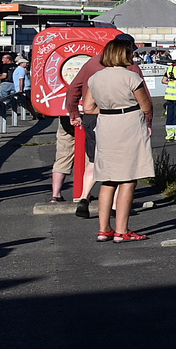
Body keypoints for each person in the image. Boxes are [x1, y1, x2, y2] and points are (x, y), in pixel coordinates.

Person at [81, 38, 154, 242]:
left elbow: (87, 108)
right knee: (129, 178)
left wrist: (105, 111)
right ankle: (122, 230)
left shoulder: (95, 78)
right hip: (129, 124)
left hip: (105, 124)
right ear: (124, 54)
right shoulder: (131, 77)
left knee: (108, 178)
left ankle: (104, 229)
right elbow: (146, 106)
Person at [64, 34, 134, 219]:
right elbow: (144, 97)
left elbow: (73, 89)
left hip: (91, 118)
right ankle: (113, 207)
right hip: (120, 119)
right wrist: (148, 121)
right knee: (121, 165)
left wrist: (74, 113)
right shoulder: (127, 65)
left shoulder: (92, 63)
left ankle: (84, 198)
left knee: (95, 162)